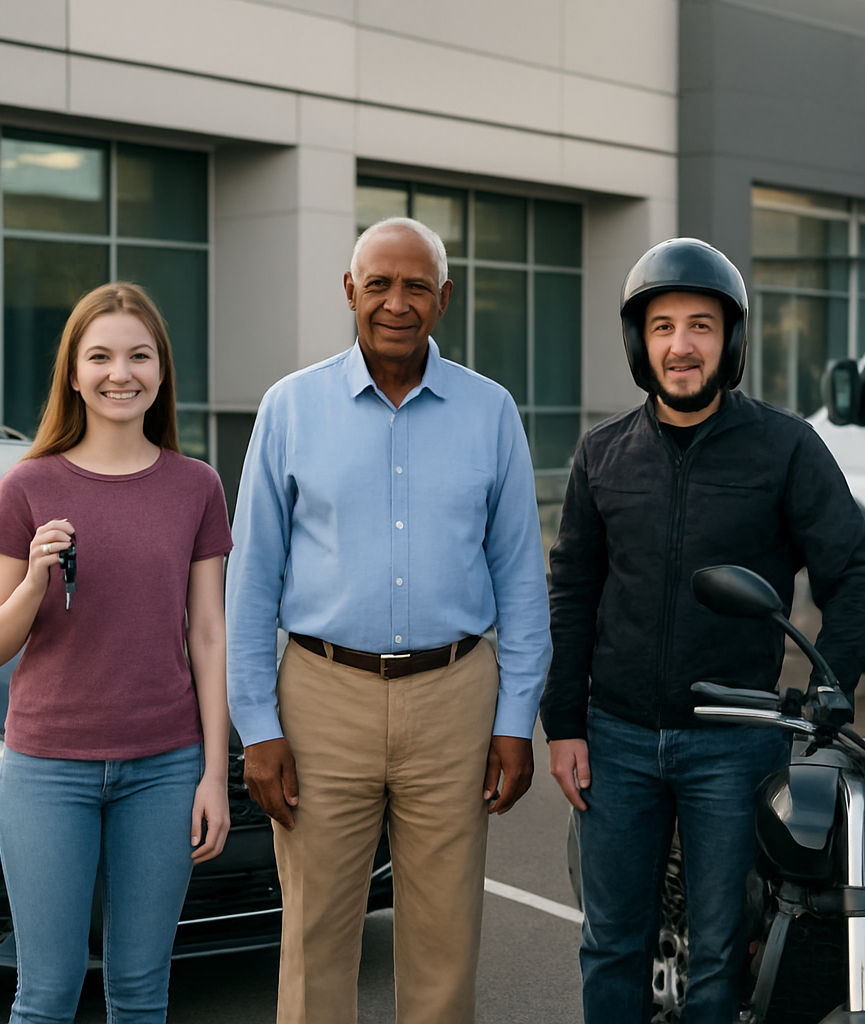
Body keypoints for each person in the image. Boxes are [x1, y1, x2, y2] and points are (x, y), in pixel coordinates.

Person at [541, 237, 865, 1023]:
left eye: (700, 325)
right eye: (663, 327)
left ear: (728, 340)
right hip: (617, 737)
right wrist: (564, 723)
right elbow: (572, 592)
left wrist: (826, 689)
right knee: (611, 941)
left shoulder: (787, 447)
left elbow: (856, 575)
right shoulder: (601, 454)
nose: (681, 345)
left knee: (722, 948)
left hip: (733, 743)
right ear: (640, 342)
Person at [226, 217, 551, 1024]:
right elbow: (251, 579)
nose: (396, 303)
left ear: (445, 298)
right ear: (349, 292)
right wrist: (256, 727)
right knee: (315, 936)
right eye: (379, 284)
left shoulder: (490, 411)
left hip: (455, 700)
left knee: (445, 941)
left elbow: (521, 579)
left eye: (415, 286)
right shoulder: (290, 408)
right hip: (320, 698)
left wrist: (516, 722)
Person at [0, 282, 233, 1024]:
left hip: (164, 769)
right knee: (48, 995)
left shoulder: (196, 486)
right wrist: (33, 578)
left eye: (138, 356)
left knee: (142, 996)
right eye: (101, 356)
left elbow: (208, 634)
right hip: (48, 768)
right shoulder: (28, 485)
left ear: (161, 370)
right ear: (74, 373)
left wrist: (215, 774)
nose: (121, 373)